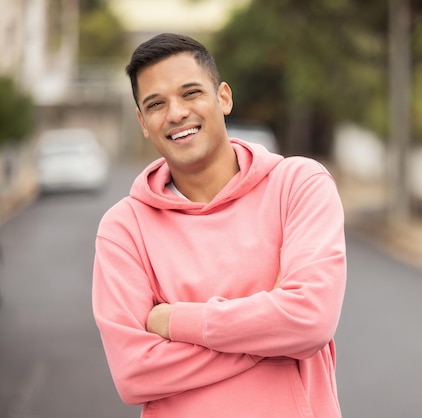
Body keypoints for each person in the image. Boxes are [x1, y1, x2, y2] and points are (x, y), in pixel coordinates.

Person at [92, 33, 347, 417]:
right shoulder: (124, 229)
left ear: (223, 97)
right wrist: (271, 335)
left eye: (190, 93)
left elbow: (310, 321)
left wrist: (175, 320)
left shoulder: (297, 185)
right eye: (156, 104)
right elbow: (134, 373)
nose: (176, 113)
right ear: (143, 123)